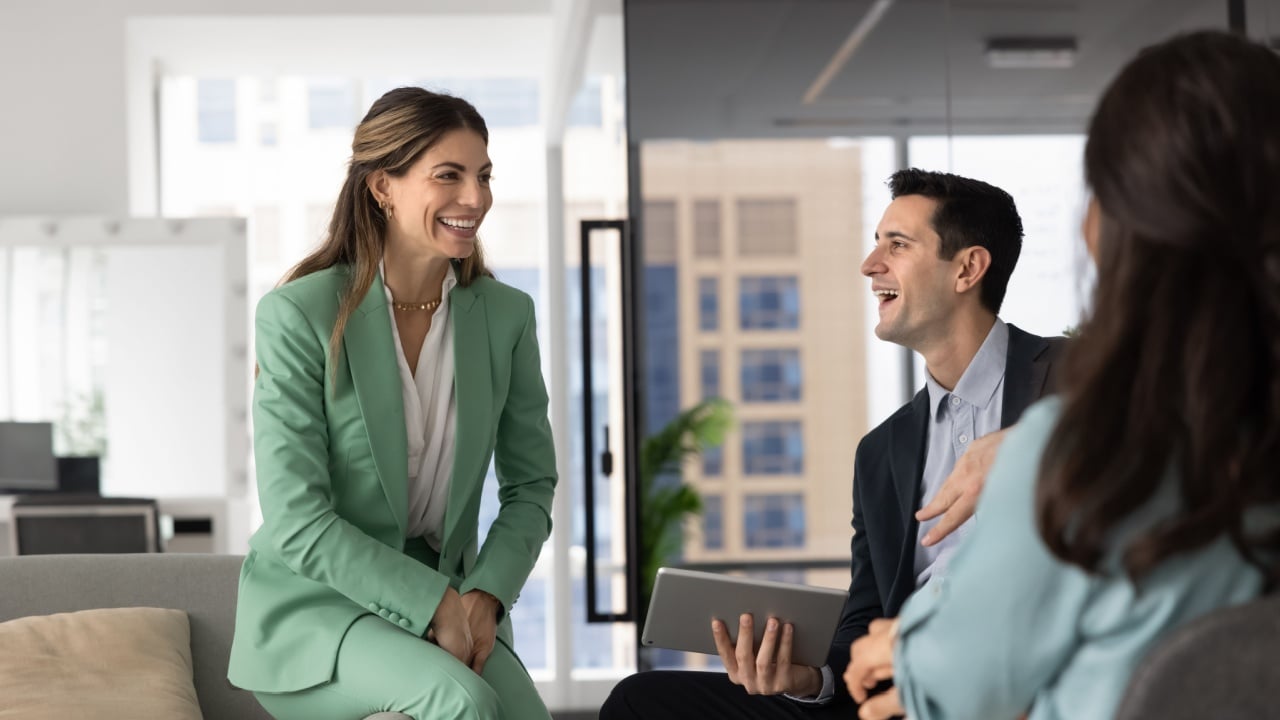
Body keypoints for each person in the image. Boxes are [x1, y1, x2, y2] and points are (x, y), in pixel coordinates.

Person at [844, 30, 1280, 720]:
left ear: (1114, 229)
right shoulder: (894, 450)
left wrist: (906, 648)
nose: (872, 265)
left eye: (896, 245)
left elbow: (955, 687)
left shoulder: (1081, 446)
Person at [599, 169, 1065, 719]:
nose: (871, 266)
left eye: (897, 244)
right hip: (901, 693)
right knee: (641, 703)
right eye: (876, 244)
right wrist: (808, 676)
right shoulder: (880, 453)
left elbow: (1177, 442)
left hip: (1028, 679)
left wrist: (1032, 444)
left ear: (967, 268)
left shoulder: (1078, 378)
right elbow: (864, 622)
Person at [226, 87, 557, 720]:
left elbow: (531, 485)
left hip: (457, 603)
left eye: (483, 177)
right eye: (449, 176)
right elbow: (297, 518)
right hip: (321, 608)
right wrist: (433, 603)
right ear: (383, 187)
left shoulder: (507, 315)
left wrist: (485, 595)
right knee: (462, 704)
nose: (475, 198)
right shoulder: (299, 315)